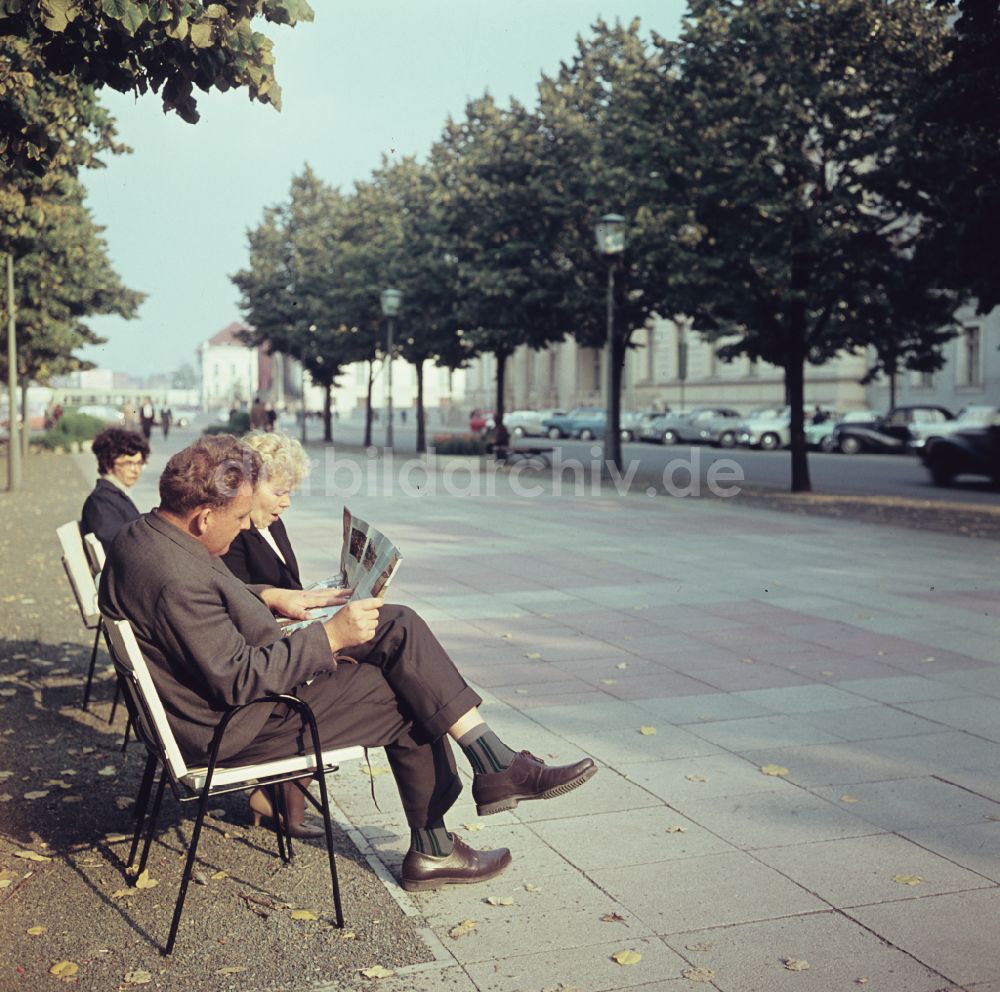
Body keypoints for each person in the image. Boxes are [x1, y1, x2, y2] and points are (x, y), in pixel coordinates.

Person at [99, 436, 596, 892]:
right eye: (239, 518)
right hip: (235, 728)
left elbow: (206, 602)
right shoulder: (175, 577)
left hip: (216, 708)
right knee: (406, 692)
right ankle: (443, 836)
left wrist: (268, 596)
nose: (245, 528)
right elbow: (235, 678)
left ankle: (490, 767)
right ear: (205, 516)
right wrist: (330, 636)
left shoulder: (142, 536)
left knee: (396, 628)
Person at [221, 431, 308, 590]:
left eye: (289, 492)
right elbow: (240, 602)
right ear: (249, 486)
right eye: (279, 493)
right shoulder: (231, 535)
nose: (287, 502)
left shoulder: (274, 523)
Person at [81, 427, 150, 552]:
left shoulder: (113, 495)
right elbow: (117, 545)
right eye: (128, 463)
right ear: (108, 465)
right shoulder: (100, 502)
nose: (136, 470)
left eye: (139, 463)